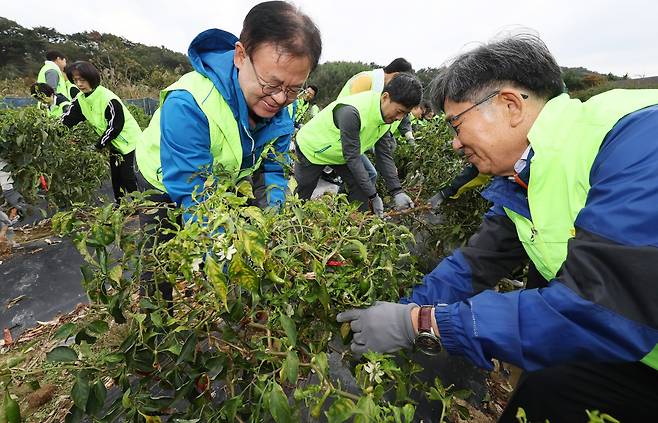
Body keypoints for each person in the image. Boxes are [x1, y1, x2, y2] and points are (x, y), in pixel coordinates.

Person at [336, 33, 658, 422]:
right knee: (543, 390)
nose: (454, 143)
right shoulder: (527, 174)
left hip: (628, 337)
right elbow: (477, 262)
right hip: (631, 348)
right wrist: (406, 307)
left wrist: (421, 324)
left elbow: (598, 308)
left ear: (509, 105)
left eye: (456, 124)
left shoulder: (638, 140)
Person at [133, 1, 321, 303]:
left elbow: (273, 170)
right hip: (162, 178)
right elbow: (195, 193)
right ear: (240, 56)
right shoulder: (190, 102)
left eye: (293, 89)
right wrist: (227, 259)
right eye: (271, 83)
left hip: (221, 179)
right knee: (159, 255)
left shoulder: (281, 112)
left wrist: (273, 228)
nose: (279, 98)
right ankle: (156, 328)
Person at [294, 73, 420, 215]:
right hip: (313, 149)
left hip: (340, 153)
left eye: (405, 114)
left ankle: (355, 223)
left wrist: (397, 191)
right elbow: (352, 157)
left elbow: (384, 156)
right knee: (302, 196)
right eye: (399, 111)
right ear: (385, 97)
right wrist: (374, 196)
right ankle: (293, 223)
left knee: (360, 187)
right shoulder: (353, 111)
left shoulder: (386, 117)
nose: (399, 118)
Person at [62, 61, 140, 203]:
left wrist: (98, 145)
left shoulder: (107, 98)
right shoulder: (80, 100)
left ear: (91, 78)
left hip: (128, 140)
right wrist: (53, 130)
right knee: (116, 177)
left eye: (82, 80)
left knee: (127, 176)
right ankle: (122, 206)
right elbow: (67, 119)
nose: (79, 84)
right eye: (76, 80)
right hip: (113, 143)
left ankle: (141, 205)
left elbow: (115, 126)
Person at [337, 58, 415, 192]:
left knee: (368, 175)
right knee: (365, 175)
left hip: (352, 140)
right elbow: (352, 113)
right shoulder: (367, 80)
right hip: (339, 136)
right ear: (396, 75)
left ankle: (346, 207)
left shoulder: (382, 91)